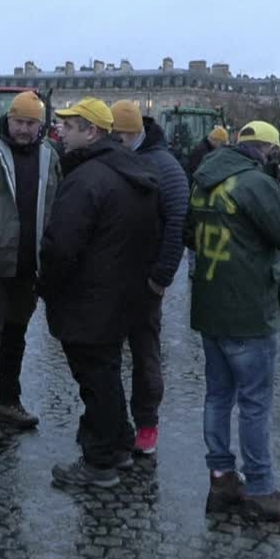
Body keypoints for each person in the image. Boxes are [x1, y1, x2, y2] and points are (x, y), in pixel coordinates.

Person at [187, 120, 280, 521]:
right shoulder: (254, 183)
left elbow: (189, 235)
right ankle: (259, 488)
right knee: (254, 403)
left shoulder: (203, 178)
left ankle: (221, 479)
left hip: (210, 304)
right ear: (269, 152)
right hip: (248, 309)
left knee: (218, 397)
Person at [39, 98, 159, 489]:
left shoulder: (87, 178)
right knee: (105, 373)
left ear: (92, 132)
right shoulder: (131, 170)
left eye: (69, 126)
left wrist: (47, 287)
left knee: (96, 380)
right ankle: (120, 444)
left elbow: (61, 247)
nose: (60, 132)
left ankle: (99, 461)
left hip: (87, 298)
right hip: (121, 295)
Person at [0, 91, 60, 446]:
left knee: (16, 335)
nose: (24, 129)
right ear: (9, 119)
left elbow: (56, 203)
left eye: (31, 123)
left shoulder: (49, 155)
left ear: (40, 125)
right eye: (19, 121)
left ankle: (8, 402)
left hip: (28, 265)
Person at [109, 100, 189, 456]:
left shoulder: (165, 166)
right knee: (105, 354)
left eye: (119, 136)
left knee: (145, 354)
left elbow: (178, 221)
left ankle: (146, 423)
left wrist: (161, 276)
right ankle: (111, 422)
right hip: (110, 274)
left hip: (144, 278)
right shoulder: (112, 159)